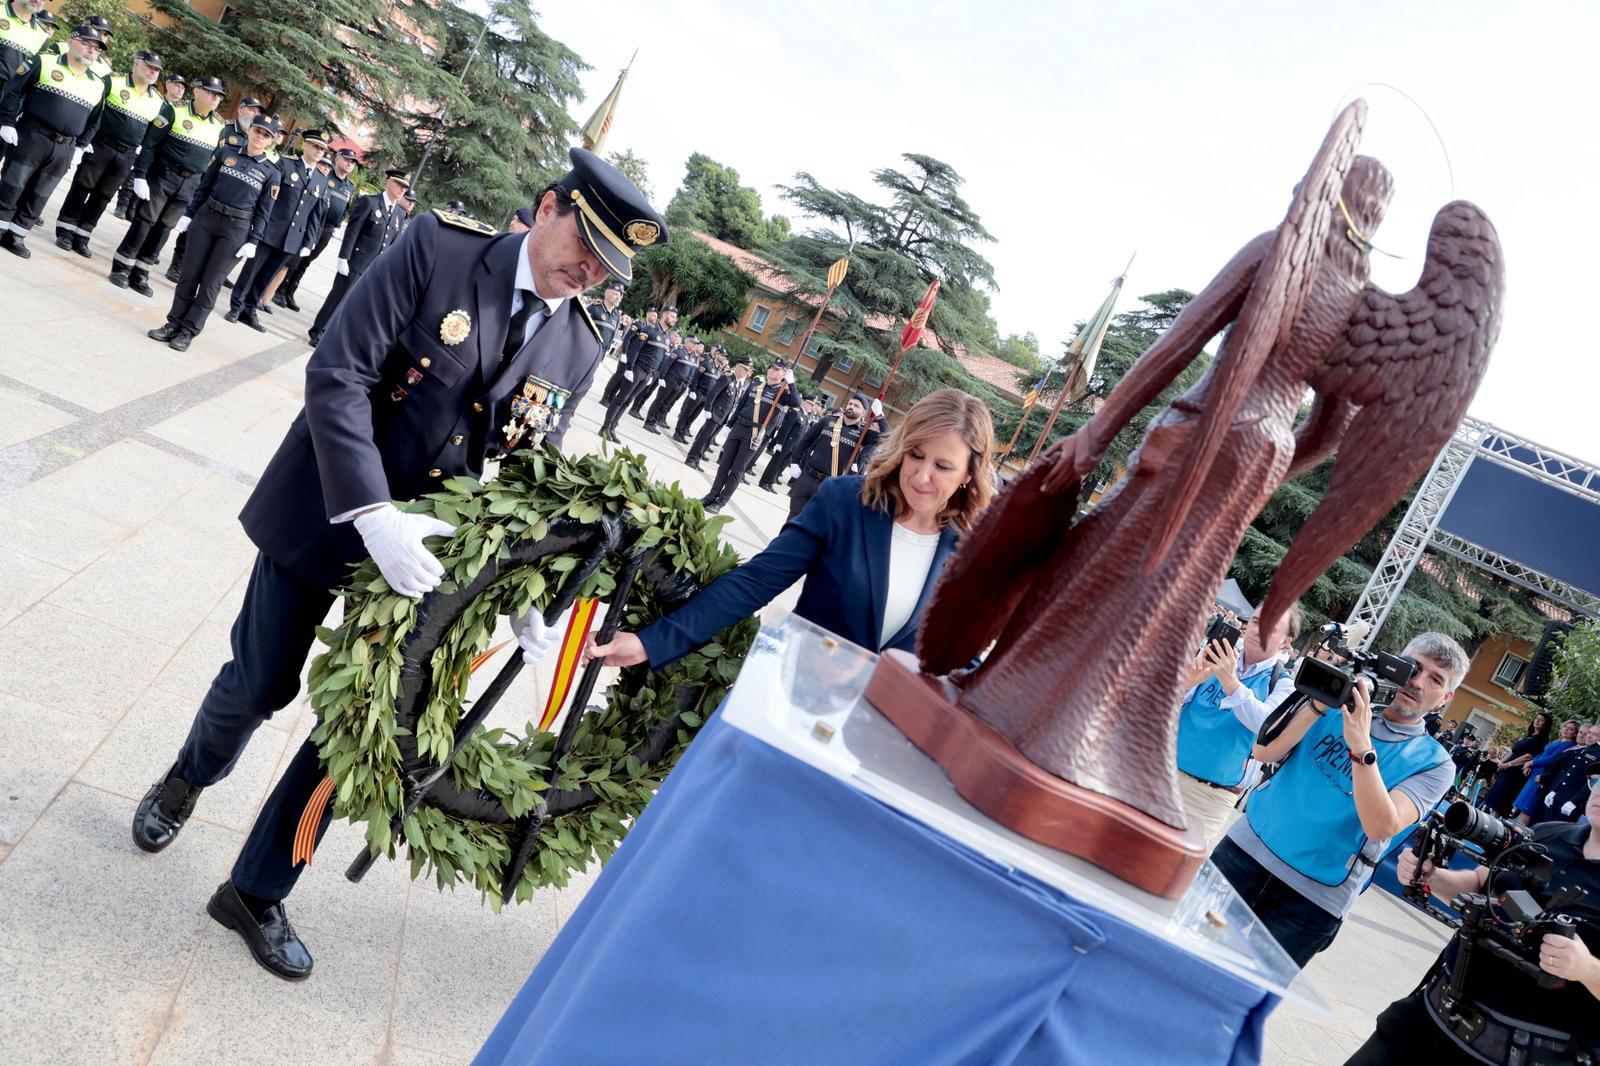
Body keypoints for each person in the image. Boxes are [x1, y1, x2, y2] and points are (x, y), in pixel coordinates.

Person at [128, 147, 666, 981]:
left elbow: (532, 469)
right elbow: (337, 373)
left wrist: (532, 589)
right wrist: (373, 513)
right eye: (583, 247)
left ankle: (257, 889)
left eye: (605, 269)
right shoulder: (437, 251)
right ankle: (187, 777)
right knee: (259, 683)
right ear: (551, 205)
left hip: (429, 575)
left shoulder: (579, 343)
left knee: (360, 734)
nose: (587, 275)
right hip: (327, 511)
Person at [588, 389, 995, 672]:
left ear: (968, 474)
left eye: (943, 466)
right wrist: (653, 642)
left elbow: (963, 657)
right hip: (789, 701)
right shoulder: (845, 503)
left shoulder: (975, 550)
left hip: (884, 742)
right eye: (916, 455)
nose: (922, 476)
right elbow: (756, 581)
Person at [1211, 631, 1467, 968]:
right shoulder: (1334, 702)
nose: (1417, 682)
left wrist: (1361, 745)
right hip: (1245, 852)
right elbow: (1264, 750)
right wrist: (1320, 700)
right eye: (1413, 667)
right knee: (1172, 956)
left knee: (1241, 1000)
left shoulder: (1435, 763)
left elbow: (1381, 825)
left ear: (1445, 697)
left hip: (1313, 898)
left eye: (1435, 679)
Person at [1348, 780, 1600, 1064]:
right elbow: (1480, 883)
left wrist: (1587, 968)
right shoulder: (1548, 833)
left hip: (1515, 1054)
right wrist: (1431, 877)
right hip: (1426, 1018)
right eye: (1598, 779)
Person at [144, 114, 280, 351]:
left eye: (266, 135)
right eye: (257, 131)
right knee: (189, 276)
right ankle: (172, 324)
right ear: (249, 130)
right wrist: (189, 214)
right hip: (206, 218)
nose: (260, 137)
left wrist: (254, 240)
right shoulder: (226, 153)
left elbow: (264, 211)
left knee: (210, 284)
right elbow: (203, 186)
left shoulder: (271, 172)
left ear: (270, 141)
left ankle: (188, 331)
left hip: (236, 229)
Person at [1175, 606, 1303, 847]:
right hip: (1162, 773)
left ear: (1286, 642)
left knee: (1168, 873)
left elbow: (1264, 725)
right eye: (1255, 621)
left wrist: (1230, 682)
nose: (1257, 630)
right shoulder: (1211, 658)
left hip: (1208, 798)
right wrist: (1185, 683)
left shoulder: (1283, 686)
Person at [110, 72, 225, 295]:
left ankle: (141, 272)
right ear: (198, 91)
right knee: (145, 221)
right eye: (211, 93)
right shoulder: (175, 110)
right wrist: (141, 175)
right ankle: (122, 266)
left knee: (164, 228)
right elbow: (150, 143)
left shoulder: (218, 125)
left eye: (219, 96)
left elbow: (211, 160)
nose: (215, 99)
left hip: (189, 184)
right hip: (163, 175)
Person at [0, 25, 108, 259]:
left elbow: (94, 121)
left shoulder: (98, 84)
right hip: (33, 135)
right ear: (70, 41)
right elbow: (14, 91)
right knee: (13, 184)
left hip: (64, 148)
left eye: (97, 48)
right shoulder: (44, 62)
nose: (92, 51)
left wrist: (80, 147)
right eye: (87, 43)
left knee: (40, 194)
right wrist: (7, 122)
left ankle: (17, 234)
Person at [52, 49, 168, 259]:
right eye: (150, 67)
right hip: (101, 145)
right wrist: (83, 140)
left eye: (157, 70)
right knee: (82, 186)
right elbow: (92, 108)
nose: (153, 73)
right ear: (136, 64)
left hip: (127, 155)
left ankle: (83, 234)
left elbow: (152, 133)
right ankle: (65, 229)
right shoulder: (113, 81)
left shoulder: (157, 100)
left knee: (104, 196)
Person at [225, 127, 329, 331]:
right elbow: (267, 196)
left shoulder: (321, 180)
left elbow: (315, 215)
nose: (319, 151)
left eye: (322, 149)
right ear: (305, 145)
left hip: (293, 238)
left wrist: (308, 242)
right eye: (315, 146)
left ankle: (250, 309)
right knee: (251, 271)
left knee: (268, 275)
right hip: (270, 228)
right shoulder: (286, 165)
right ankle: (236, 306)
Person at [305, 167, 408, 346]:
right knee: (338, 298)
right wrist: (343, 257)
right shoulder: (369, 202)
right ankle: (319, 331)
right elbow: (353, 231)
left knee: (358, 306)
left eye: (405, 188)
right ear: (389, 182)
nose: (402, 190)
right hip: (356, 262)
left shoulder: (399, 213)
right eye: (399, 185)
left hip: (376, 269)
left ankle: (337, 337)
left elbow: (393, 244)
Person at [165, 95, 262, 282]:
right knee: (193, 225)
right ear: (240, 109)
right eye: (251, 109)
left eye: (257, 112)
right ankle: (177, 264)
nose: (253, 114)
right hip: (207, 183)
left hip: (227, 191)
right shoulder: (224, 129)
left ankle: (211, 268)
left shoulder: (252, 138)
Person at [698, 358, 800, 513]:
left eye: (778, 369)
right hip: (739, 426)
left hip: (754, 433)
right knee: (724, 465)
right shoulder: (755, 385)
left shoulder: (783, 394)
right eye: (771, 367)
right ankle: (711, 495)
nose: (772, 370)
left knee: (737, 470)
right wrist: (730, 425)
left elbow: (796, 402)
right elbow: (740, 405)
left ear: (784, 374)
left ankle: (720, 502)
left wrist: (791, 383)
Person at [275, 147, 358, 311]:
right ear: (337, 158)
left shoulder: (350, 186)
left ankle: (290, 291)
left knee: (307, 261)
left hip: (328, 229)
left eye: (353, 162)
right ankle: (280, 289)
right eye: (347, 160)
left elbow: (345, 208)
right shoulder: (326, 174)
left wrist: (338, 224)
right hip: (313, 223)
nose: (350, 164)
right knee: (296, 258)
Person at [780, 393, 881, 520]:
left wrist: (880, 416)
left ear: (863, 413)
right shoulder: (827, 421)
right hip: (807, 477)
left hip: (830, 485)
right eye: (850, 403)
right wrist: (795, 462)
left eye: (856, 406)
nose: (851, 407)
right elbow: (805, 441)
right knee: (793, 518)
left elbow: (886, 437)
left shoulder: (863, 433)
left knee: (814, 524)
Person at [599, 305, 674, 441]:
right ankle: (605, 428)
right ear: (664, 315)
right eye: (672, 316)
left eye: (675, 317)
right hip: (637, 369)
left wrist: (653, 375)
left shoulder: (667, 336)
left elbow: (662, 358)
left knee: (628, 401)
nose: (674, 319)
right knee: (621, 398)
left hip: (648, 374)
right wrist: (629, 368)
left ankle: (612, 427)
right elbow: (635, 349)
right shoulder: (649, 330)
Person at [1511, 720, 1582, 822]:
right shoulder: (1557, 741)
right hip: (1534, 772)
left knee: (1528, 806)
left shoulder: (1568, 746)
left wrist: (1531, 763)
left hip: (1542, 774)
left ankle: (1519, 829)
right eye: (1565, 726)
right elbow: (1542, 754)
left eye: (1570, 729)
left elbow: (1551, 759)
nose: (1566, 729)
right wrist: (1530, 764)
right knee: (1521, 804)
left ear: (1575, 733)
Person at [1533, 724, 1600, 826]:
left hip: (1570, 801)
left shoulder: (1597, 753)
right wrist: (1554, 791)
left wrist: (1574, 802)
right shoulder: (1586, 749)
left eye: (1595, 735)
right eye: (1589, 732)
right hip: (1560, 796)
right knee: (1544, 828)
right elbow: (1567, 772)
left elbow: (1592, 783)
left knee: (1555, 834)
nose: (1589, 736)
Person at [598, 305, 655, 409]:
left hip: (634, 358)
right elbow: (627, 338)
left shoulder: (651, 330)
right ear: (647, 314)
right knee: (618, 376)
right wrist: (624, 353)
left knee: (624, 379)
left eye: (656, 316)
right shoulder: (638, 324)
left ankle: (612, 397)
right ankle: (606, 397)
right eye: (653, 314)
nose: (655, 317)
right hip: (627, 354)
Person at [758, 397, 817, 492]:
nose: (811, 407)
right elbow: (785, 429)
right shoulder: (796, 412)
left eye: (812, 406)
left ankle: (770, 482)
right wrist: (779, 443)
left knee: (780, 465)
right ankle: (764, 481)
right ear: (805, 403)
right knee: (775, 463)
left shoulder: (805, 416)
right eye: (810, 405)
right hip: (786, 444)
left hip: (793, 447)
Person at [644, 334, 700, 432]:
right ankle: (648, 421)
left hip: (679, 384)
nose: (695, 345)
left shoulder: (691, 356)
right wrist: (661, 377)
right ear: (687, 342)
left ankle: (654, 422)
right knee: (659, 401)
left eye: (695, 343)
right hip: (670, 380)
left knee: (666, 404)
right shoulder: (678, 351)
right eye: (693, 343)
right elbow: (667, 364)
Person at [675, 343, 726, 442]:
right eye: (722, 355)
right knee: (687, 413)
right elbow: (696, 377)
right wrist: (692, 390)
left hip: (706, 397)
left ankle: (683, 431)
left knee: (694, 415)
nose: (724, 358)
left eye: (724, 357)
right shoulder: (707, 364)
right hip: (699, 392)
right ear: (716, 355)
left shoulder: (719, 370)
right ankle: (677, 432)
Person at [587, 280, 624, 353]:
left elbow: (612, 334)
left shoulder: (616, 315)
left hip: (602, 352)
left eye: (620, 295)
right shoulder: (594, 308)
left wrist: (607, 349)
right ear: (606, 294)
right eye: (615, 294)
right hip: (588, 348)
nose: (618, 298)